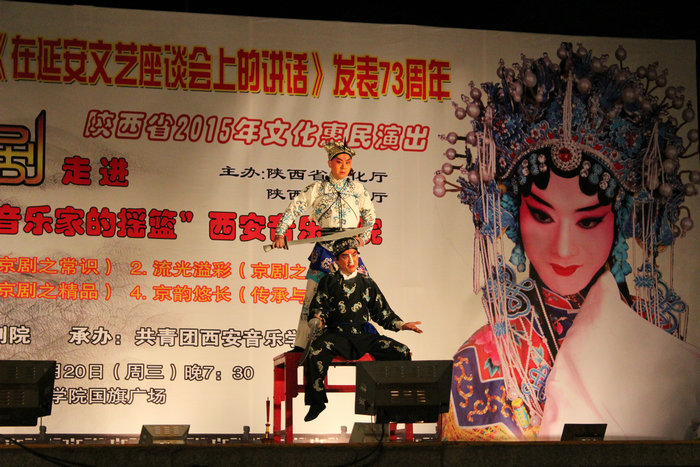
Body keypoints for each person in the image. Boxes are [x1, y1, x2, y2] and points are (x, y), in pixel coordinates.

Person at [434, 42, 700, 441]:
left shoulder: (656, 333)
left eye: (588, 221)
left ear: (620, 221)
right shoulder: (483, 357)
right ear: (514, 215)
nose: (562, 248)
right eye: (542, 216)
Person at [303, 237, 423, 422]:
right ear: (337, 260)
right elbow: (319, 307)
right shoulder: (329, 281)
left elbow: (382, 313)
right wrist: (317, 319)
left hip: (364, 334)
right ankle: (317, 403)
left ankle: (399, 404)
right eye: (345, 256)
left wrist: (402, 325)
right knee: (315, 351)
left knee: (402, 351)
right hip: (337, 334)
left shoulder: (367, 283)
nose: (351, 260)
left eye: (354, 255)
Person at [272, 140, 376, 350]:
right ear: (330, 163)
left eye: (347, 162)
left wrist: (363, 237)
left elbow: (369, 214)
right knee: (313, 294)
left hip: (349, 248)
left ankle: (365, 340)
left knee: (361, 291)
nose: (344, 166)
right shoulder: (318, 188)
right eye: (339, 161)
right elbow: (294, 208)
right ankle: (303, 343)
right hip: (326, 247)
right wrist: (281, 232)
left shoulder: (357, 189)